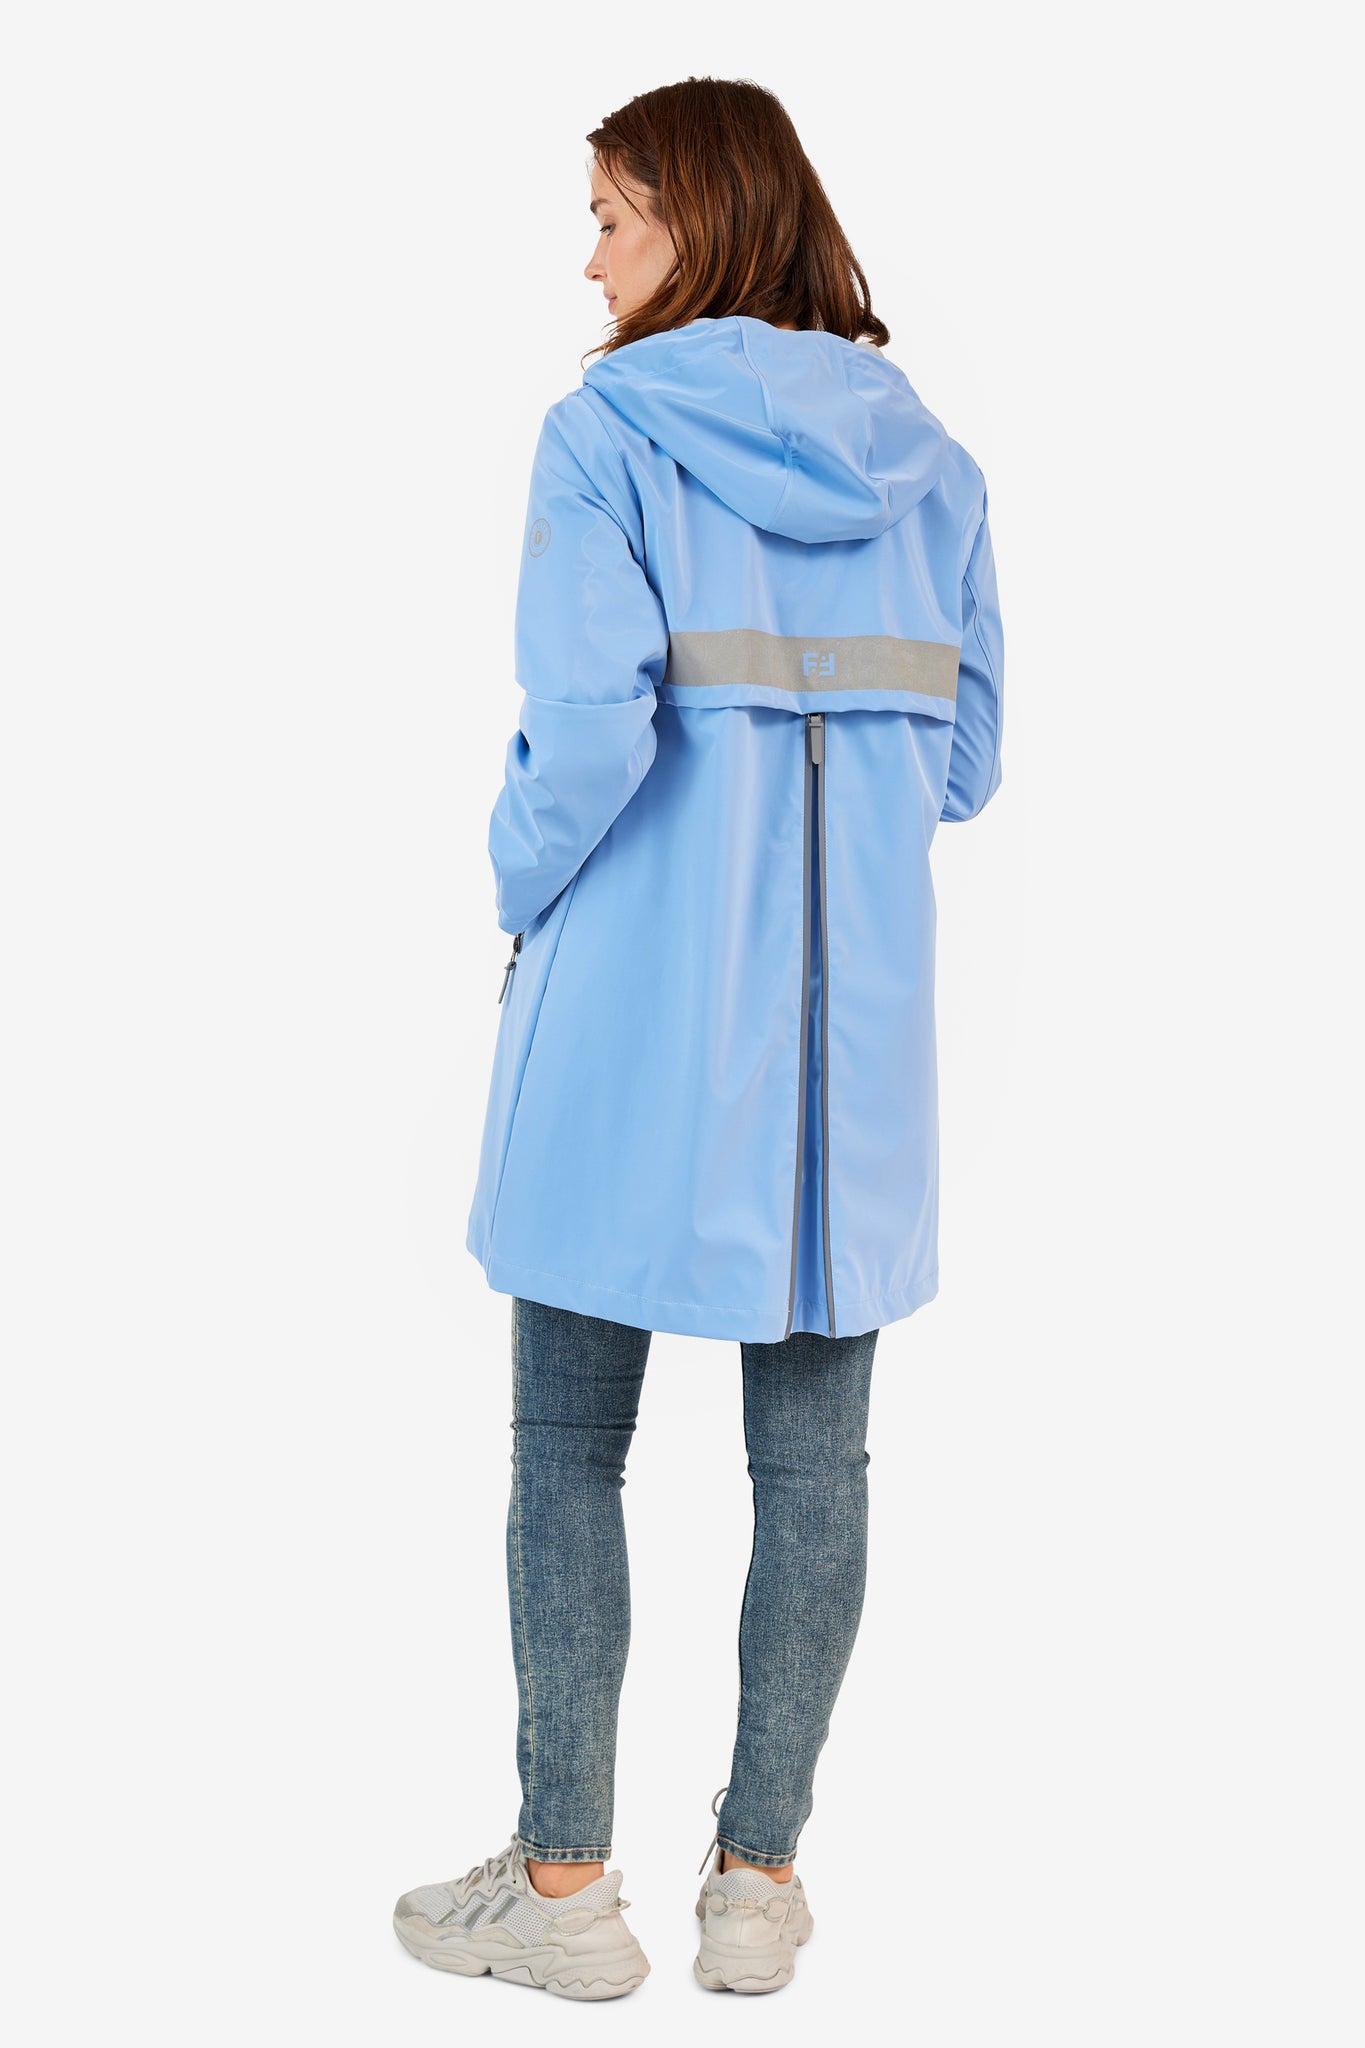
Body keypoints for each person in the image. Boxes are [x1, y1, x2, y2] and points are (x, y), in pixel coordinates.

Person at [393, 75, 1004, 2001]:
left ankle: (564, 1895)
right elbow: (968, 761)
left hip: (635, 1019)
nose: (588, 259)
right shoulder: (935, 468)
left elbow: (587, 736)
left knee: (569, 1443)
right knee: (815, 1470)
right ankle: (756, 1886)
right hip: (853, 1058)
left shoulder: (607, 435)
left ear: (700, 218)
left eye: (610, 213)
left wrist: (510, 880)